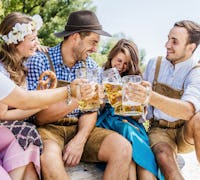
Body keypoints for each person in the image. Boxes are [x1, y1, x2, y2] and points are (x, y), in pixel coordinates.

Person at [0, 1, 88, 179]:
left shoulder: (20, 63)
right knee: (27, 135)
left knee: (28, 142)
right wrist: (69, 91)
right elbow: (20, 101)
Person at [27, 10, 132, 180]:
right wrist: (78, 98)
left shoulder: (91, 67)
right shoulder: (40, 61)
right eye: (92, 42)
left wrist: (79, 140)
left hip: (80, 127)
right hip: (48, 130)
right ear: (75, 37)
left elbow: (90, 111)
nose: (95, 49)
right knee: (48, 158)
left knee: (123, 148)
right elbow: (39, 118)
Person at [125, 20, 200, 180]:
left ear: (190, 47)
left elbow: (188, 111)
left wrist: (150, 96)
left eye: (175, 42)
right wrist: (139, 99)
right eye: (168, 39)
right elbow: (142, 110)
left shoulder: (196, 72)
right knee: (165, 158)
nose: (167, 45)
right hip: (159, 130)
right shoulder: (154, 64)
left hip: (185, 131)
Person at [0, 12, 46, 157]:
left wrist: (34, 45)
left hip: (13, 122)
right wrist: (40, 105)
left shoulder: (20, 62)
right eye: (33, 39)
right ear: (15, 42)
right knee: (30, 132)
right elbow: (0, 115)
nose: (38, 43)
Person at [97, 39, 163, 180]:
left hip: (129, 122)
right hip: (107, 122)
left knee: (133, 138)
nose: (121, 66)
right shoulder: (101, 74)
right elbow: (97, 109)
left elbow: (138, 116)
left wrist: (133, 103)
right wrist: (103, 97)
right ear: (112, 56)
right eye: (119, 61)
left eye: (126, 63)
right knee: (128, 134)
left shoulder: (134, 79)